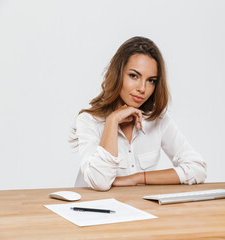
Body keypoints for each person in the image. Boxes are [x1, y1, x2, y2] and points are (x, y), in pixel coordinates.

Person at [70, 36, 207, 191]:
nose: (142, 88)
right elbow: (100, 182)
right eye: (134, 76)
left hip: (138, 210)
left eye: (151, 80)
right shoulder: (88, 121)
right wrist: (112, 121)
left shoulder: (158, 121)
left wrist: (138, 178)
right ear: (117, 74)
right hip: (92, 211)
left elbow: (197, 168)